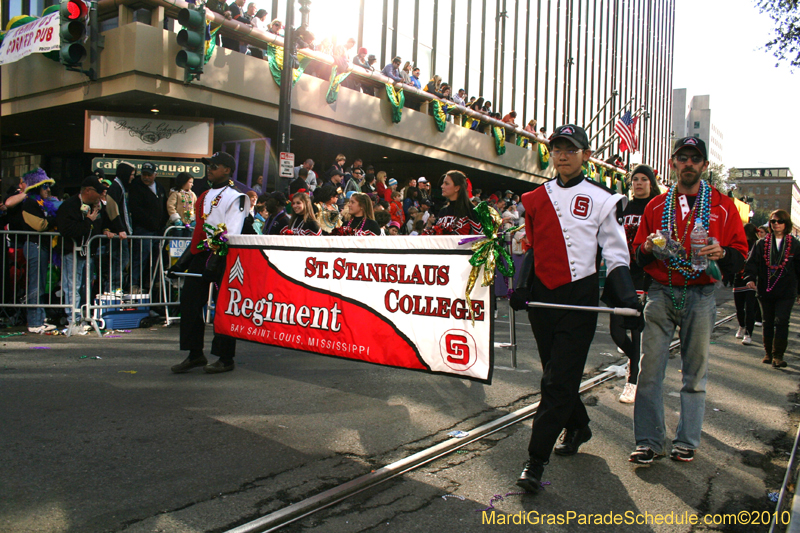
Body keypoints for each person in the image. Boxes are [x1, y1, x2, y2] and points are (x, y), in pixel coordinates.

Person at [507, 125, 640, 492]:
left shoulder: (603, 198)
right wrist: (520, 286)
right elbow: (532, 247)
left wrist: (627, 298)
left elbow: (615, 254)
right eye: (557, 148)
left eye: (570, 148)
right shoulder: (534, 198)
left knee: (555, 381)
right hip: (543, 300)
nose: (563, 155)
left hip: (578, 300)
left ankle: (535, 461)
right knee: (557, 375)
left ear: (585, 153)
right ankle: (579, 425)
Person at [630, 137, 748, 464]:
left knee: (694, 373)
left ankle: (686, 440)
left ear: (705, 166)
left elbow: (740, 253)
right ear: (673, 163)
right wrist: (649, 248)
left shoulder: (723, 205)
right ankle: (649, 441)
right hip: (661, 291)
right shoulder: (656, 206)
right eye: (683, 158)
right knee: (649, 370)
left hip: (702, 294)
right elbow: (638, 254)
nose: (689, 164)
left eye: (695, 159)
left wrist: (723, 253)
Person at [169, 152, 250, 374]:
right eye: (209, 166)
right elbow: (198, 232)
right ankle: (194, 353)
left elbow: (231, 232)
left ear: (227, 169)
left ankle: (225, 357)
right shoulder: (203, 195)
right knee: (189, 301)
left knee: (222, 306)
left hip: (224, 256)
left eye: (215, 166)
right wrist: (182, 263)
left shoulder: (237, 197)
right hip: (203, 253)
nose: (210, 169)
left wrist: (214, 262)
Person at [612, 164, 660, 404]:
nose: (639, 183)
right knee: (616, 331)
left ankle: (632, 381)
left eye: (644, 179)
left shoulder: (658, 207)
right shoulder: (623, 207)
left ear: (651, 183)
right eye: (635, 180)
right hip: (620, 273)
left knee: (635, 329)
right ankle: (638, 361)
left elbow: (664, 240)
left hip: (645, 275)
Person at [744, 210, 800, 368]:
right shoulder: (761, 243)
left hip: (787, 290)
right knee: (767, 321)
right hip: (765, 288)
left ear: (786, 223)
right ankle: (768, 353)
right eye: (773, 221)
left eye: (780, 221)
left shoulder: (794, 244)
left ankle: (778, 355)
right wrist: (750, 279)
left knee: (782, 321)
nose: (776, 224)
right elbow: (751, 263)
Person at [57, 176, 112, 329]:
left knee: (84, 286)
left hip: (89, 252)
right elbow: (67, 230)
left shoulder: (98, 206)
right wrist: (88, 221)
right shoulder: (69, 206)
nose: (101, 196)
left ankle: (83, 316)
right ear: (88, 191)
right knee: (72, 286)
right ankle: (73, 318)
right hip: (72, 252)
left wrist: (106, 229)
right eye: (98, 192)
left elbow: (105, 224)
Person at [16, 169, 58, 333]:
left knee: (40, 284)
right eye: (45, 186)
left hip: (42, 246)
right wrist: (53, 220)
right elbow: (40, 225)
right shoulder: (29, 203)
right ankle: (34, 322)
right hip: (34, 246)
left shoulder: (42, 203)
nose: (48, 189)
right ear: (36, 188)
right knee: (35, 285)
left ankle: (39, 318)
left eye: (49, 186)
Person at [128, 162, 167, 292]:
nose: (146, 177)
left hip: (158, 230)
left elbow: (164, 206)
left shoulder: (160, 187)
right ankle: (134, 284)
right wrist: (150, 222)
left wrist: (162, 224)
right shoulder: (136, 187)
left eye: (149, 175)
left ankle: (150, 284)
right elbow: (136, 209)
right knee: (140, 258)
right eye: (144, 174)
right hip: (143, 229)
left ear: (155, 175)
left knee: (155, 259)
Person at [105, 163, 135, 292]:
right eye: (131, 175)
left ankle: (116, 288)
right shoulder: (115, 187)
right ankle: (112, 289)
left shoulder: (120, 187)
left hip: (120, 233)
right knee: (119, 261)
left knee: (122, 261)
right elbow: (112, 209)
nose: (133, 177)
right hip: (118, 234)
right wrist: (120, 229)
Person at [423, 171, 480, 236]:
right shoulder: (443, 211)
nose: (442, 186)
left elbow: (481, 239)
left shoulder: (472, 211)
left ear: (457, 188)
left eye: (446, 184)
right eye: (443, 183)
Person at [733, 223, 759, 345]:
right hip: (739, 277)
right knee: (740, 307)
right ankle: (742, 326)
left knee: (749, 308)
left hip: (751, 278)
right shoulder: (738, 243)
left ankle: (748, 333)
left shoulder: (756, 244)